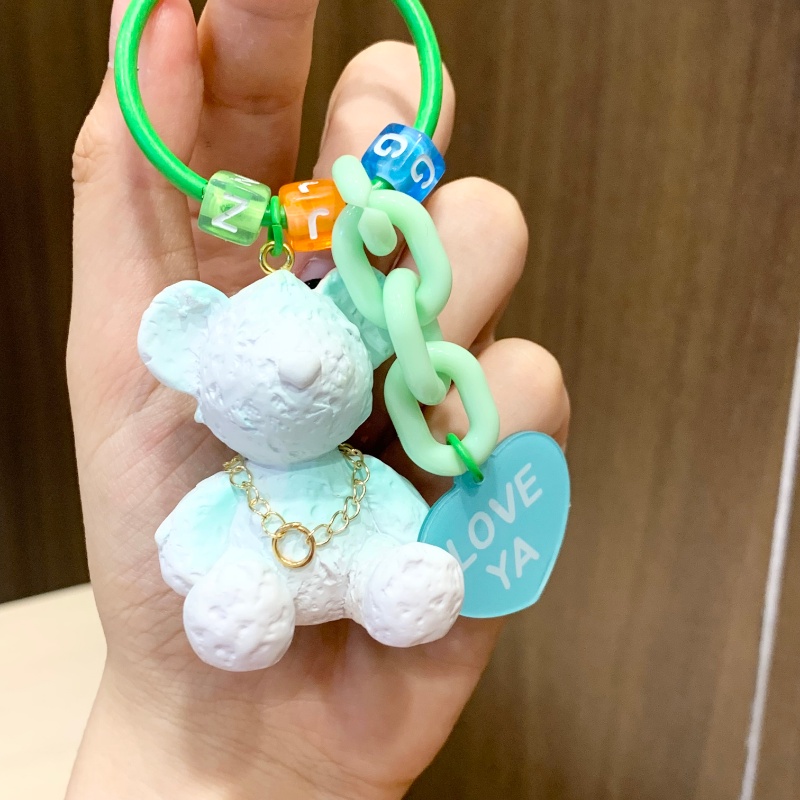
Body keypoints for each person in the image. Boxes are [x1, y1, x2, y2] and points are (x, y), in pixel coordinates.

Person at [66, 0, 570, 796]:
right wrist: (160, 729)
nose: (301, 371)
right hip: (253, 589)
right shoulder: (230, 483)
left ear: (363, 338)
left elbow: (400, 511)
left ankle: (388, 589)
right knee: (242, 593)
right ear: (191, 356)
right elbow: (187, 542)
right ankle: (247, 607)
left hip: (358, 558)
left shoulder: (365, 463)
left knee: (403, 559)